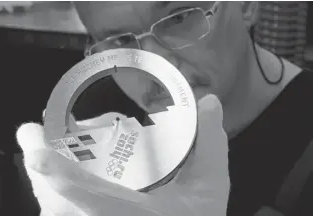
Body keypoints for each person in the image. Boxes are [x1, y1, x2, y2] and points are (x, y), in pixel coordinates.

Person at [16, 2, 313, 216]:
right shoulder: (95, 114)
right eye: (119, 41)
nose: (155, 66)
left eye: (179, 18)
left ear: (246, 5)